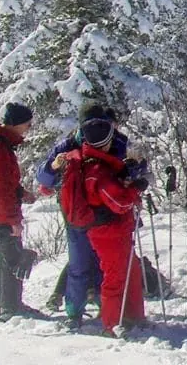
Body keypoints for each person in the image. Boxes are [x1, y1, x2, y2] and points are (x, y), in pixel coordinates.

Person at [38, 104, 129, 327]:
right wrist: (53, 165)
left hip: (102, 210)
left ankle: (100, 304)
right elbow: (44, 178)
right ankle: (74, 311)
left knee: (99, 261)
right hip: (77, 210)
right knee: (80, 262)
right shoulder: (68, 145)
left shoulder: (116, 140)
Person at [61, 115, 149, 336]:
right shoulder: (98, 171)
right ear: (106, 141)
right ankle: (112, 324)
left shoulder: (95, 164)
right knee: (116, 275)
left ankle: (131, 315)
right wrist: (134, 189)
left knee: (131, 269)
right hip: (108, 230)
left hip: (111, 229)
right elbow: (119, 202)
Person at [0, 102, 41, 322]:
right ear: (15, 124)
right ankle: (11, 309)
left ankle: (1, 305)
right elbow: (0, 188)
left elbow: (5, 183)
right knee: (14, 259)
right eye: (27, 124)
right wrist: (13, 220)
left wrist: (21, 193)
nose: (28, 128)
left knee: (5, 258)